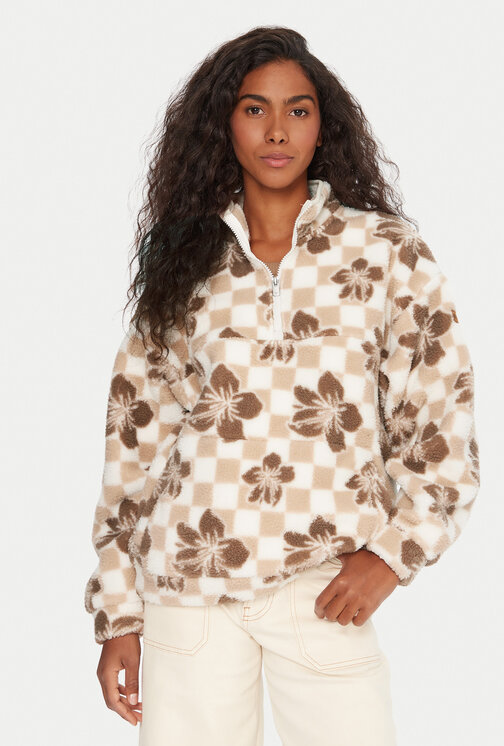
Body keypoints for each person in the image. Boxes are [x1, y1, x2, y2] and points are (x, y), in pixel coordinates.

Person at [84, 25, 481, 746]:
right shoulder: (184, 260)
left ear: (323, 125)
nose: (277, 130)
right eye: (254, 109)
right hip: (190, 593)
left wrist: (391, 556)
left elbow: (440, 425)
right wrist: (119, 615)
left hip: (324, 588)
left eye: (298, 110)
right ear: (223, 124)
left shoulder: (385, 251)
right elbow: (135, 446)